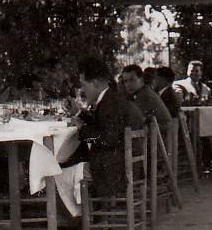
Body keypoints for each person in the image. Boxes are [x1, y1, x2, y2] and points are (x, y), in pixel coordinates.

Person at [68, 56, 131, 197]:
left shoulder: (110, 103)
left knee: (61, 173)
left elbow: (108, 139)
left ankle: (76, 217)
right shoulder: (110, 97)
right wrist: (80, 115)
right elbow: (103, 125)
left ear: (95, 83)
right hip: (119, 162)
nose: (82, 90)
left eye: (84, 85)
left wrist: (82, 128)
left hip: (112, 168)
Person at [120, 64, 172, 130]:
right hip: (157, 135)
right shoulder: (144, 91)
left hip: (159, 137)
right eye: (125, 81)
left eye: (132, 80)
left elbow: (134, 121)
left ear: (141, 79)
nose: (128, 84)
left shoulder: (145, 96)